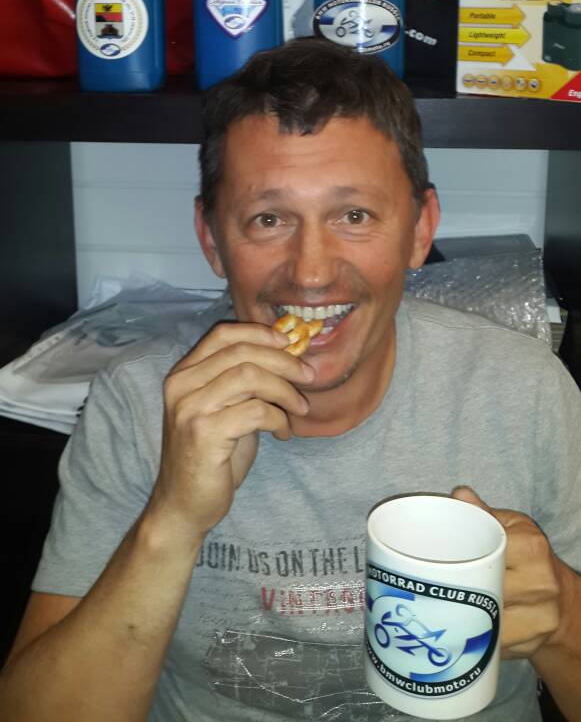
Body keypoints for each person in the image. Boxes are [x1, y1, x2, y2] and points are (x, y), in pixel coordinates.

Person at [0, 38, 580, 722]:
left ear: (420, 230)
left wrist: (560, 621)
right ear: (212, 240)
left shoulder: (524, 390)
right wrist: (174, 518)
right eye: (268, 219)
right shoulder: (139, 401)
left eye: (354, 216)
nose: (310, 272)